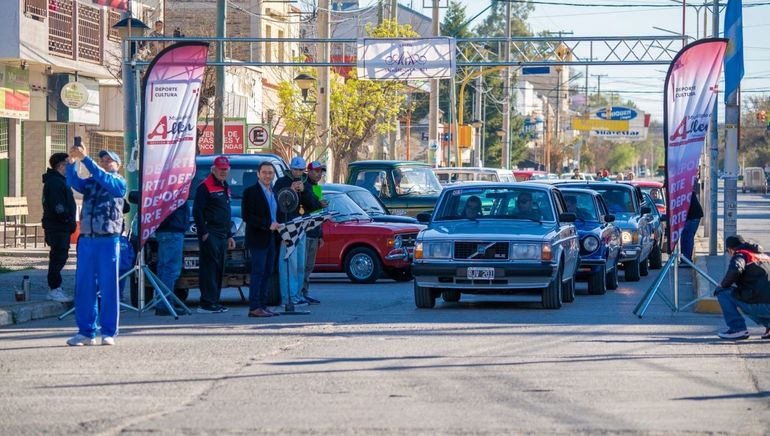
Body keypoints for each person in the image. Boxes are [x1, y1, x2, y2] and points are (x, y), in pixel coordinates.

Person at [65, 146, 126, 346]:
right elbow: (73, 182)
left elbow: (104, 178)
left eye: (109, 160)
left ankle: (108, 332)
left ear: (118, 165)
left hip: (108, 240)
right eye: (103, 160)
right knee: (84, 286)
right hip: (87, 240)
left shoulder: (118, 182)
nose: (105, 163)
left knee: (108, 287)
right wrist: (72, 162)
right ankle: (86, 332)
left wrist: (86, 159)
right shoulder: (91, 182)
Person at [273, 156, 320, 307]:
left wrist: (304, 191)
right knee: (289, 266)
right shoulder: (281, 182)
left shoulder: (306, 183)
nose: (298, 173)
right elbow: (277, 205)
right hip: (287, 228)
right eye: (295, 169)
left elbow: (315, 205)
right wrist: (290, 191)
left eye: (300, 170)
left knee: (300, 265)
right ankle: (288, 298)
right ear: (290, 169)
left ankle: (298, 295)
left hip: (302, 227)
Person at [192, 156, 236, 314]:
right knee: (209, 269)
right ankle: (206, 303)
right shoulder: (205, 187)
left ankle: (214, 301)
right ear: (214, 169)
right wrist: (204, 233)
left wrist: (229, 235)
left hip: (223, 234)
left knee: (218, 269)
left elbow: (226, 213)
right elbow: (197, 211)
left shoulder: (225, 186)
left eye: (225, 169)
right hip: (211, 233)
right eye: (220, 169)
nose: (223, 172)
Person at [242, 162, 281, 318]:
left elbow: (276, 215)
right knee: (258, 273)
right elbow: (247, 216)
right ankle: (254, 307)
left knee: (267, 273)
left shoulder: (273, 192)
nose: (267, 175)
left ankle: (263, 306)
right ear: (258, 174)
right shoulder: (250, 192)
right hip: (258, 238)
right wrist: (267, 225)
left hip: (271, 238)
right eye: (264, 172)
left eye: (270, 173)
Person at [714, 235, 770, 340]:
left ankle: (737, 329)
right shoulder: (765, 257)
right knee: (749, 297)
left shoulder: (741, 255)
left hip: (761, 304)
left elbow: (735, 269)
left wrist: (723, 285)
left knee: (722, 292)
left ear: (730, 250)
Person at [42, 152, 76, 303]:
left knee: (60, 255)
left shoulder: (59, 181)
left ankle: (55, 287)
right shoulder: (55, 182)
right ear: (62, 165)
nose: (71, 166)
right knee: (58, 257)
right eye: (69, 164)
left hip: (60, 226)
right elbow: (58, 205)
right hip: (57, 226)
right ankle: (54, 288)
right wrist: (67, 219)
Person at [153, 203, 189, 316]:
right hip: (173, 229)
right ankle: (165, 305)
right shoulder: (175, 192)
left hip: (164, 229)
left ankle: (161, 303)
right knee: (170, 270)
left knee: (163, 269)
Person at [301, 161, 329, 304]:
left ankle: (305, 292)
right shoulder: (304, 187)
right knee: (302, 266)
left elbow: (319, 214)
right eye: (316, 171)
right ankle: (299, 293)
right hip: (305, 233)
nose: (319, 174)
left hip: (314, 233)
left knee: (309, 266)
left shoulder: (317, 188)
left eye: (321, 172)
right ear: (309, 171)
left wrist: (320, 235)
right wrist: (319, 203)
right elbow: (309, 207)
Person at [680, 189, 703, 263]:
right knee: (685, 236)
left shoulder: (679, 192)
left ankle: (686, 259)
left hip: (692, 216)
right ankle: (685, 258)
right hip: (692, 215)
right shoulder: (684, 189)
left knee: (688, 236)